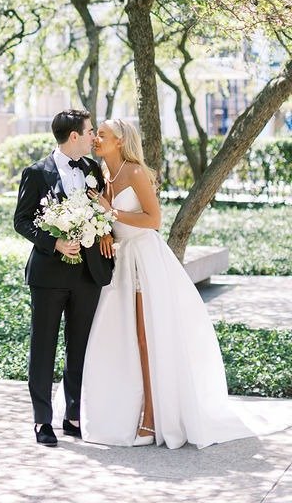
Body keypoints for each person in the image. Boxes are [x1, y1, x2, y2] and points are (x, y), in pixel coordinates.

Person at [76, 117, 255, 448]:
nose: (96, 139)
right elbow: (102, 216)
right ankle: (118, 410)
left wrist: (110, 214)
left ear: (120, 140)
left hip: (144, 260)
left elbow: (154, 220)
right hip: (119, 262)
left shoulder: (135, 172)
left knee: (147, 338)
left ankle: (153, 417)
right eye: (96, 134)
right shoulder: (101, 173)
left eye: (102, 135)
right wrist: (103, 229)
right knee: (121, 337)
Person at [14, 108, 114, 447]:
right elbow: (22, 221)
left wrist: (103, 234)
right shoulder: (36, 173)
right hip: (48, 275)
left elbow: (105, 212)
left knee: (80, 348)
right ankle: (42, 421)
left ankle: (73, 417)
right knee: (43, 348)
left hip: (87, 274)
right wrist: (54, 242)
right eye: (89, 132)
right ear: (74, 136)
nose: (93, 137)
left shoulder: (92, 170)